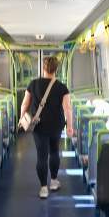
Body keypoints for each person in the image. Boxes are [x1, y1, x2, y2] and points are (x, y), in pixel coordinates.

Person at [20, 56, 74, 199]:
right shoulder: (62, 87)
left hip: (39, 126)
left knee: (41, 156)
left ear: (43, 68)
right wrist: (70, 126)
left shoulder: (33, 84)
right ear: (56, 69)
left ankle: (43, 188)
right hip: (56, 125)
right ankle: (54, 181)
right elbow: (68, 109)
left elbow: (24, 104)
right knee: (55, 152)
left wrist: (22, 118)